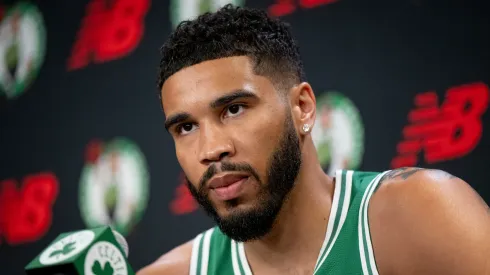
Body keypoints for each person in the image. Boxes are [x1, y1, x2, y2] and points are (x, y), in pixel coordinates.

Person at [138, 5, 490, 275]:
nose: (211, 149)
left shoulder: (419, 215)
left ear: (302, 108)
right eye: (186, 127)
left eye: (234, 109)